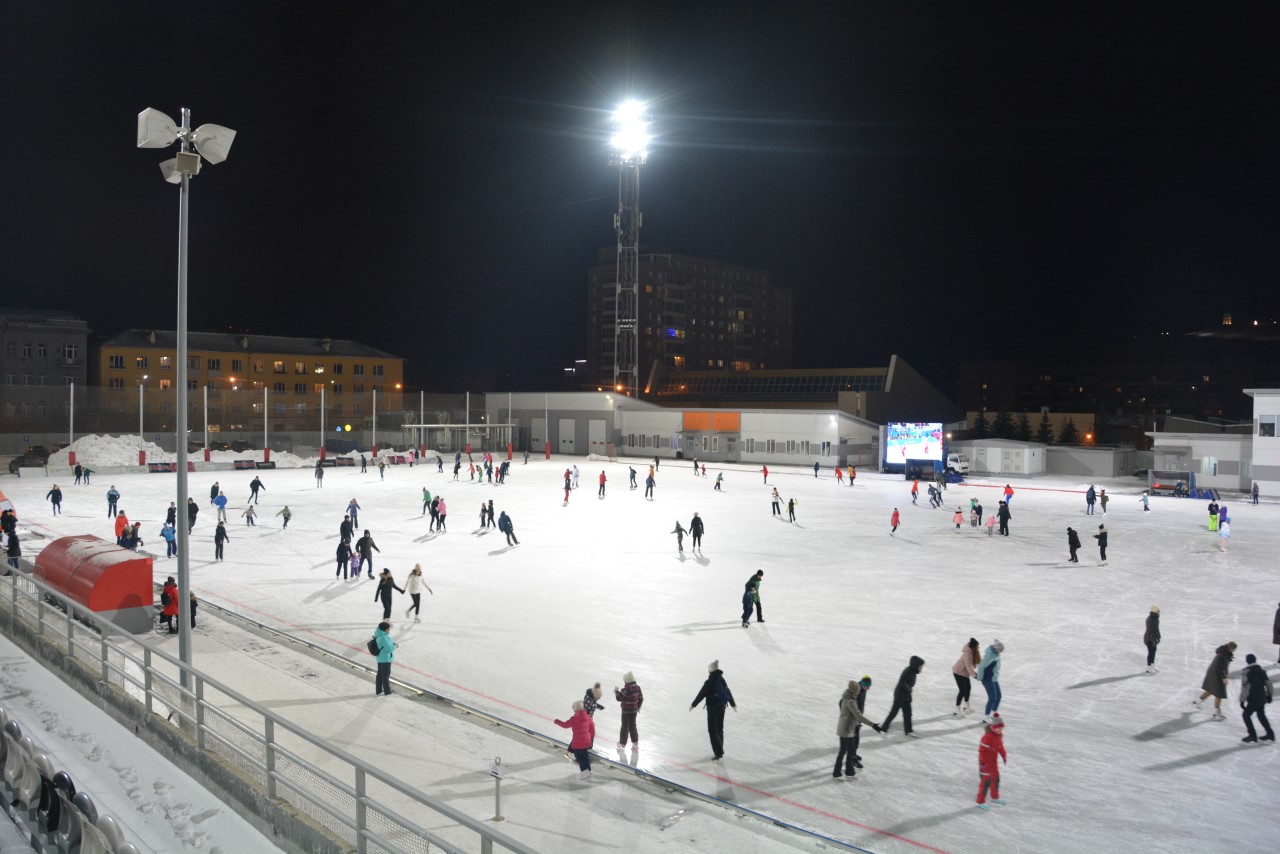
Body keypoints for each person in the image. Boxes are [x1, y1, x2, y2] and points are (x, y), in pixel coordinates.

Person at [834, 679, 881, 779]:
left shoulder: (851, 697)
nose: (859, 691)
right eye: (858, 689)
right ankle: (836, 773)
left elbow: (851, 716)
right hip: (845, 729)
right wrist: (873, 725)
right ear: (855, 690)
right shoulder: (850, 701)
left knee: (851, 751)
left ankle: (849, 772)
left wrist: (855, 723)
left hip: (850, 728)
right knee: (843, 751)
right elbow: (858, 716)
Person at [691, 660, 736, 760]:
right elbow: (728, 691)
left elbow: (702, 694)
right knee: (719, 728)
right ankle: (720, 750)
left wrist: (693, 704)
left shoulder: (710, 681)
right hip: (722, 706)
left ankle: (718, 752)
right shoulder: (721, 679)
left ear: (710, 670)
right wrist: (733, 704)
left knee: (712, 730)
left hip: (713, 708)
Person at [881, 656, 925, 736]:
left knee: (908, 713)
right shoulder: (908, 671)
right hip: (899, 696)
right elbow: (902, 682)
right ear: (915, 665)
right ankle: (883, 729)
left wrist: (909, 692)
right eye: (920, 667)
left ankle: (908, 730)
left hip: (906, 696)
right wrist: (909, 689)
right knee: (893, 713)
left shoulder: (913, 672)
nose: (921, 668)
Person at [1194, 641, 1236, 721]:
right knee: (1219, 693)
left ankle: (1199, 701)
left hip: (1214, 673)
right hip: (1216, 674)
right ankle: (1216, 712)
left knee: (1211, 689)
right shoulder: (1223, 655)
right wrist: (1224, 677)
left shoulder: (1224, 653)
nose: (1234, 651)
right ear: (1230, 648)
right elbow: (1220, 668)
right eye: (1233, 649)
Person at [554, 700, 596, 780]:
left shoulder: (573, 719)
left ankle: (584, 771)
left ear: (575, 709)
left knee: (580, 757)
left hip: (578, 743)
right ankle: (588, 770)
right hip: (586, 741)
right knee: (585, 756)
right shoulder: (587, 717)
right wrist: (591, 737)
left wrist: (557, 721)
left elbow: (565, 725)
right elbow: (592, 727)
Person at [975, 713, 1008, 810]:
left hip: (993, 762)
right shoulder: (987, 737)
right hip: (984, 763)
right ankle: (980, 801)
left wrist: (1003, 754)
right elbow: (982, 751)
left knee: (996, 779)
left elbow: (1000, 746)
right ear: (993, 727)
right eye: (999, 728)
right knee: (986, 782)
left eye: (1002, 728)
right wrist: (985, 763)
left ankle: (995, 797)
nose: (1001, 730)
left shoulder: (999, 735)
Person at [1240, 653, 1275, 743]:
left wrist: (1242, 700)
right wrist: (1270, 695)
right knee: (1261, 715)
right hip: (1261, 697)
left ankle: (1252, 735)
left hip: (1252, 698)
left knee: (1246, 715)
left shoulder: (1246, 672)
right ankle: (1270, 734)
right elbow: (1268, 684)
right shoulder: (1262, 671)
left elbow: (1245, 688)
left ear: (1247, 661)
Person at [614, 672, 644, 751]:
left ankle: (622, 744)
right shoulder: (638, 688)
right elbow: (641, 698)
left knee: (624, 727)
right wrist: (638, 706)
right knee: (633, 726)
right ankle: (635, 744)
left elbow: (618, 698)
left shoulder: (625, 690)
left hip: (625, 712)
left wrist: (616, 691)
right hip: (634, 711)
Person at [977, 640, 1004, 721]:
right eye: (1000, 650)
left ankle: (993, 714)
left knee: (998, 696)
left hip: (993, 678)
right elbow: (981, 666)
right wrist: (979, 677)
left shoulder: (996, 654)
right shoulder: (990, 656)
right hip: (987, 678)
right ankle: (986, 718)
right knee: (992, 697)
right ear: (996, 648)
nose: (1001, 652)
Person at [953, 638, 980, 716]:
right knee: (962, 690)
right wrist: (975, 675)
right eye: (977, 646)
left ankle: (966, 706)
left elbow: (972, 664)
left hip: (964, 673)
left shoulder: (973, 651)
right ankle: (956, 709)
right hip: (958, 672)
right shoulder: (967, 654)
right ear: (973, 647)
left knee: (968, 688)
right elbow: (968, 666)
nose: (978, 648)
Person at [373, 621, 395, 695]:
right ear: (385, 629)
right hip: (385, 659)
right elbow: (389, 649)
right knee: (385, 675)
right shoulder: (383, 637)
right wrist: (395, 645)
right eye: (388, 629)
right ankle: (387, 691)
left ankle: (378, 690)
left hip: (380, 658)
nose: (389, 630)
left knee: (380, 674)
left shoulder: (379, 634)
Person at [1144, 606, 1161, 674]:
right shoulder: (1151, 620)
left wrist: (1158, 637)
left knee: (1153, 653)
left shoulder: (1155, 619)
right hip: (1150, 638)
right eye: (1158, 611)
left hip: (1152, 638)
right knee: (1151, 653)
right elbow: (1152, 631)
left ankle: (1152, 666)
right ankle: (1148, 668)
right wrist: (1154, 639)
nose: (1159, 613)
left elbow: (1156, 629)